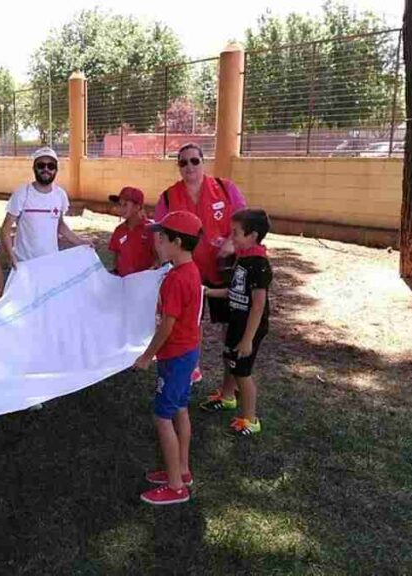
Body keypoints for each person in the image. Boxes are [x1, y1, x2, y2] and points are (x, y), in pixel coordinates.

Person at [155, 143, 247, 387]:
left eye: (194, 160)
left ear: (203, 162)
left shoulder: (225, 188)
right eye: (183, 162)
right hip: (188, 274)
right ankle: (191, 369)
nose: (189, 166)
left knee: (230, 328)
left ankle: (230, 385)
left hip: (221, 272)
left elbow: (245, 223)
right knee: (189, 323)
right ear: (178, 167)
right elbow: (160, 234)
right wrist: (164, 263)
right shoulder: (169, 196)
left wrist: (230, 243)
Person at [134, 211, 204, 505]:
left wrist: (147, 356)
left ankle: (176, 487)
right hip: (189, 352)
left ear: (176, 242)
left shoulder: (175, 280)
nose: (156, 243)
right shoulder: (191, 271)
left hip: (174, 356)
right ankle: (182, 470)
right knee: (180, 409)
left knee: (162, 416)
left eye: (161, 239)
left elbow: (166, 326)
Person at [205, 209, 272, 437]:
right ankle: (227, 397)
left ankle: (251, 420)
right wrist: (208, 292)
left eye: (235, 233)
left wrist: (247, 339)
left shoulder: (259, 264)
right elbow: (233, 291)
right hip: (236, 321)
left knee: (242, 372)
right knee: (229, 360)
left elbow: (258, 304)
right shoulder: (242, 258)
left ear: (252, 236)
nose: (231, 237)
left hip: (249, 328)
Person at [0, 147, 90, 268]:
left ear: (56, 170)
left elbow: (60, 225)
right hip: (24, 264)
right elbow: (5, 228)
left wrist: (80, 242)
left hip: (51, 263)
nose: (46, 169)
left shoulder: (60, 195)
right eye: (41, 165)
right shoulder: (22, 193)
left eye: (51, 166)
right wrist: (10, 255)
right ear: (34, 168)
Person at [107, 186, 156, 276]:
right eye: (120, 204)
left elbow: (158, 259)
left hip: (144, 283)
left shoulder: (151, 229)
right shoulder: (119, 230)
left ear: (137, 207)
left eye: (125, 205)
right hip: (123, 283)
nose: (121, 208)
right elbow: (116, 258)